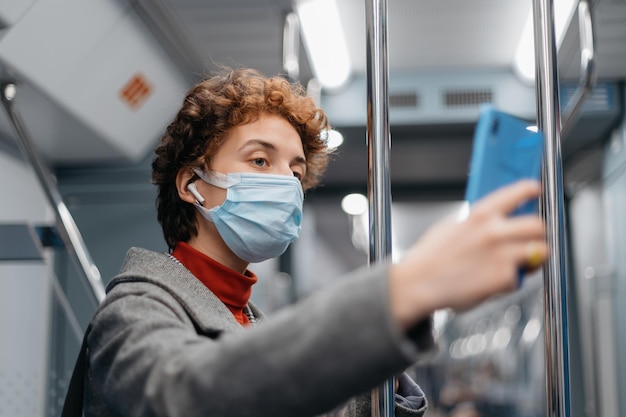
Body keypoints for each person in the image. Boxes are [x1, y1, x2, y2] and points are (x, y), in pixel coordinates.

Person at [71, 68, 547, 417]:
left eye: (295, 172)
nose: (286, 184)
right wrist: (404, 289)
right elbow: (187, 397)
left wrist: (385, 357)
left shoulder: (249, 320)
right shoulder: (131, 310)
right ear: (191, 183)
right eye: (261, 161)